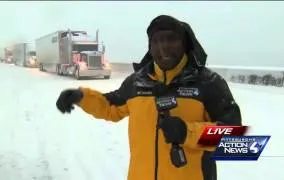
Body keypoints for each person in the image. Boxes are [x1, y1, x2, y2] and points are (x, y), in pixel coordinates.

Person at [56, 15, 242, 180]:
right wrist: (80, 97)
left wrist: (188, 133)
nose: (164, 46)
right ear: (150, 47)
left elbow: (234, 139)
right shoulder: (137, 82)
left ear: (184, 44)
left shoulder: (208, 83)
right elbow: (109, 106)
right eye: (157, 41)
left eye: (171, 39)